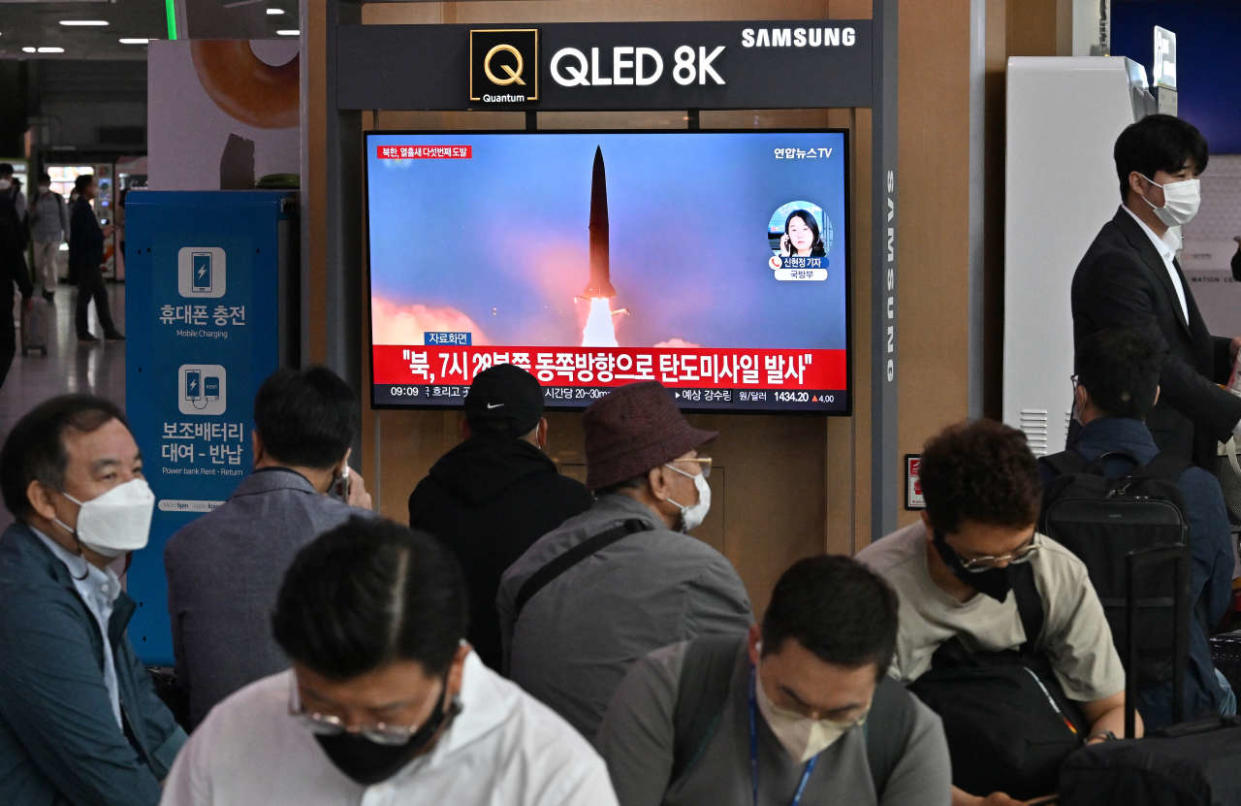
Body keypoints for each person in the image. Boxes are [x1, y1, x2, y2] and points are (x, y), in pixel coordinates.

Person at [160, 516, 618, 805]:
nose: (353, 735)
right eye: (322, 710)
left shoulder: (552, 777)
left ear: (455, 665)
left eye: (387, 717)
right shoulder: (231, 737)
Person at [857, 419, 1136, 806]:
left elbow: (1116, 709)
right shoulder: (874, 593)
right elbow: (854, 742)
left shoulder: (1052, 572)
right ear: (930, 522)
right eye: (981, 558)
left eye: (1019, 550)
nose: (1004, 566)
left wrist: (1092, 767)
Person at [497, 380, 753, 739]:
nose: (700, 478)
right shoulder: (699, 572)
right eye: (695, 463)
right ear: (660, 481)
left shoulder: (529, 566)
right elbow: (744, 711)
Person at [598, 555, 952, 806]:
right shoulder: (670, 689)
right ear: (756, 645)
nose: (810, 727)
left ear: (878, 680)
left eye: (840, 714)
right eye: (791, 700)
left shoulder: (908, 736)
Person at [0, 394, 187, 804]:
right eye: (108, 477)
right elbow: (103, 768)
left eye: (136, 471)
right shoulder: (27, 606)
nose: (135, 491)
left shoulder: (86, 577)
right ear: (45, 500)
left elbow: (150, 721)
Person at [165, 366, 374, 728]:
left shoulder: (186, 545)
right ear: (344, 461)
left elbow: (189, 678)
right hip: (329, 768)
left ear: (256, 444)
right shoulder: (369, 539)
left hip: (218, 763)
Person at [1055, 327, 1235, 727]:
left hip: (1065, 699)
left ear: (1080, 395)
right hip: (1172, 701)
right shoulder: (1196, 486)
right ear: (1154, 395)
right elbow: (1214, 601)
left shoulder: (1044, 481)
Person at [1072, 114, 1241, 470]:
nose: (1191, 187)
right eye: (1180, 177)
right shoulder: (1116, 262)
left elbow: (1168, 339)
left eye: (1195, 176)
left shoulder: (1155, 245)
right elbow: (1153, 361)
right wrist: (1234, 416)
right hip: (1137, 458)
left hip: (1174, 447)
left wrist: (1227, 351)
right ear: (1139, 183)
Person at [409, 363, 592, 671]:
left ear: (464, 428)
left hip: (451, 675)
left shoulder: (427, 496)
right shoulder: (573, 501)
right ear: (542, 432)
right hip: (540, 679)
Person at [69, 174, 124, 343]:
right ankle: (86, 332)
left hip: (88, 260)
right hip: (86, 260)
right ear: (86, 188)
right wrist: (103, 233)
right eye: (93, 185)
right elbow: (86, 236)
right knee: (88, 296)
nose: (96, 189)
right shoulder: (82, 208)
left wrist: (100, 231)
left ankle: (106, 330)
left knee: (99, 294)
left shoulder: (83, 206)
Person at [0, 165, 33, 390]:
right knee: (5, 344)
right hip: (1, 291)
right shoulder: (6, 217)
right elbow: (15, 255)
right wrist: (27, 290)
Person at [29, 172, 69, 303]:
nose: (43, 186)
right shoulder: (33, 199)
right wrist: (33, 213)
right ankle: (44, 284)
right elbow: (28, 219)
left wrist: (67, 234)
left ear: (49, 184)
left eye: (45, 184)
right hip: (38, 236)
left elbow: (64, 217)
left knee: (51, 263)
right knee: (38, 265)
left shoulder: (58, 198)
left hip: (54, 235)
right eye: (41, 184)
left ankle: (50, 290)